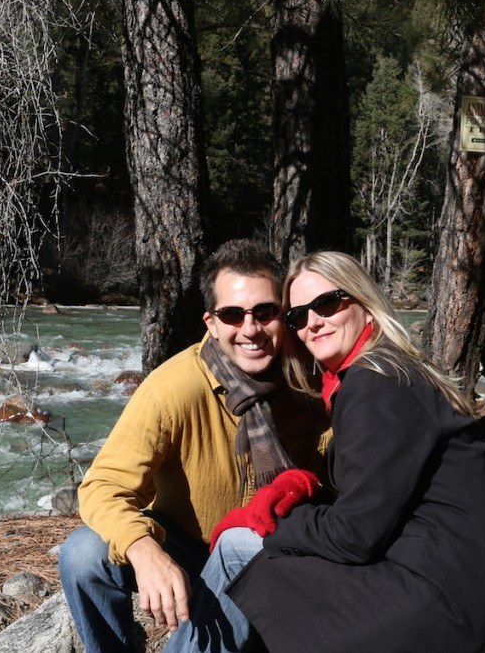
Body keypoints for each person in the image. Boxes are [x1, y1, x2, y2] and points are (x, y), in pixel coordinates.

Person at [211, 251, 485, 652]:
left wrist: (275, 521)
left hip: (446, 607)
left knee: (235, 546)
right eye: (297, 315)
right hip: (469, 591)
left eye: (327, 303)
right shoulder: (385, 370)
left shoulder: (377, 383)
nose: (312, 322)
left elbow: (354, 535)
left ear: (364, 303)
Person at [58, 239, 330, 652]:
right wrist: (143, 548)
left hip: (270, 554)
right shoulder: (175, 387)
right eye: (233, 314)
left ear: (284, 315)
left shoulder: (311, 386)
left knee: (245, 553)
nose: (250, 329)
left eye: (265, 312)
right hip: (190, 547)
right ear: (211, 322)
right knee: (83, 554)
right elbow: (102, 487)